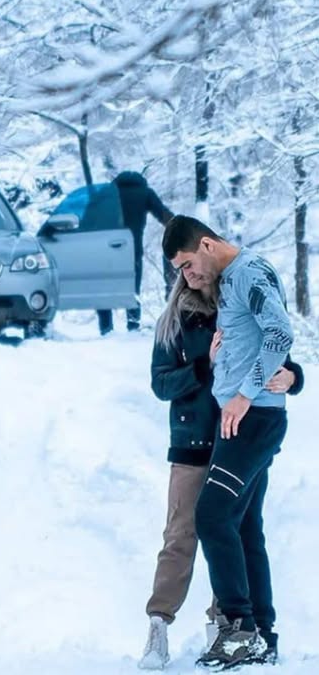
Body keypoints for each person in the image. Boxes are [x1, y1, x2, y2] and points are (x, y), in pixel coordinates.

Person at [139, 265, 303, 670]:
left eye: (195, 268)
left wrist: (293, 377)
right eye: (184, 270)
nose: (192, 276)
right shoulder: (174, 320)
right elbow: (160, 384)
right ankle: (159, 626)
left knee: (239, 530)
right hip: (193, 444)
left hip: (236, 442)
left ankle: (229, 627)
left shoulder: (239, 308)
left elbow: (278, 356)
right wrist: (202, 367)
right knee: (182, 535)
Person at [97, 172, 173, 335]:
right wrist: (183, 226)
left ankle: (106, 329)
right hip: (132, 250)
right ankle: (132, 327)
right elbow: (164, 215)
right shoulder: (145, 193)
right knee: (132, 289)